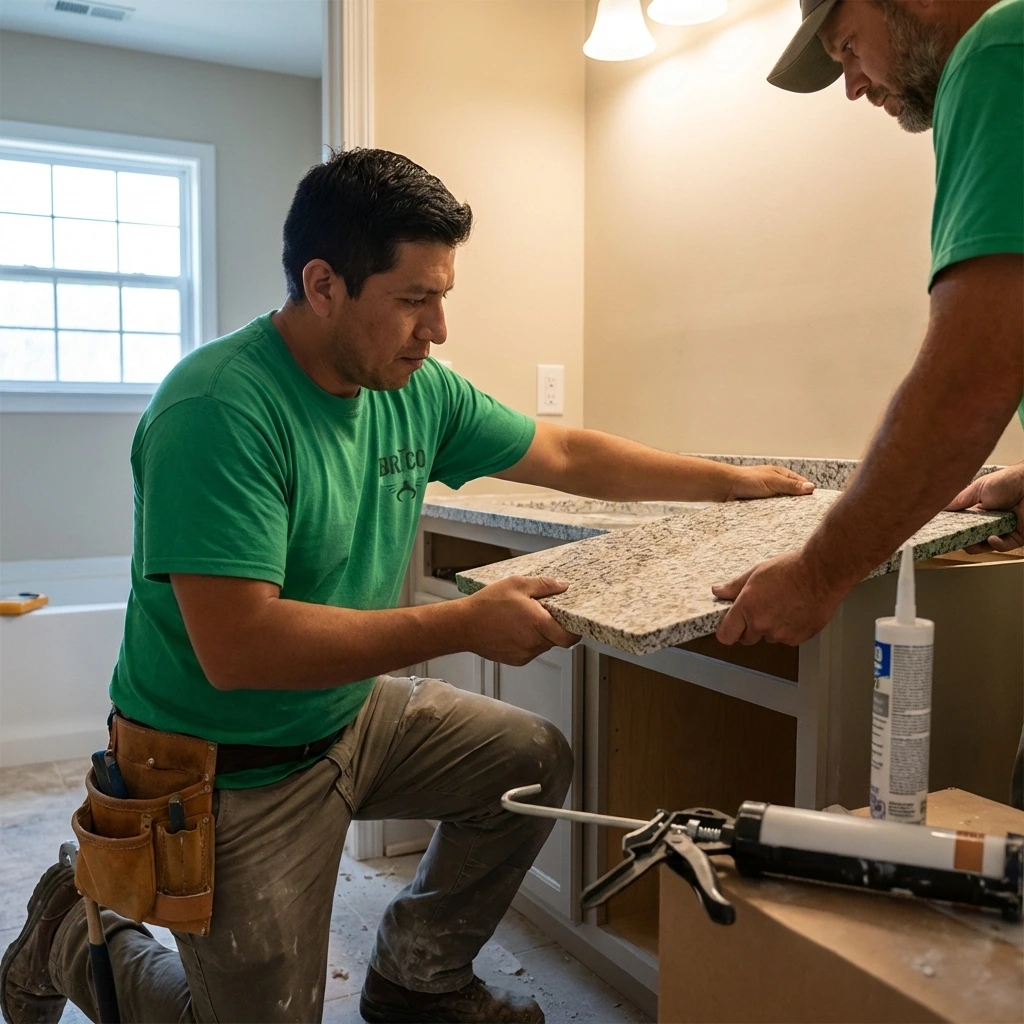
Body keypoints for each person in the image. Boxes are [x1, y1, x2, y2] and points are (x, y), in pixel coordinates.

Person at [1, 148, 813, 1024]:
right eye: (413, 300)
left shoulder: (412, 388)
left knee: (530, 760)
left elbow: (565, 453)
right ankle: (68, 939)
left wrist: (729, 480)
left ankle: (416, 979)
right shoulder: (218, 410)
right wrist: (463, 623)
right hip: (222, 763)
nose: (437, 329)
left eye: (444, 297)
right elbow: (238, 649)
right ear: (323, 285)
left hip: (345, 717)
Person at [712, 0, 1024, 806]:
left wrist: (820, 573)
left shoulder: (998, 46)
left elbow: (971, 376)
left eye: (850, 46)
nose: (854, 86)